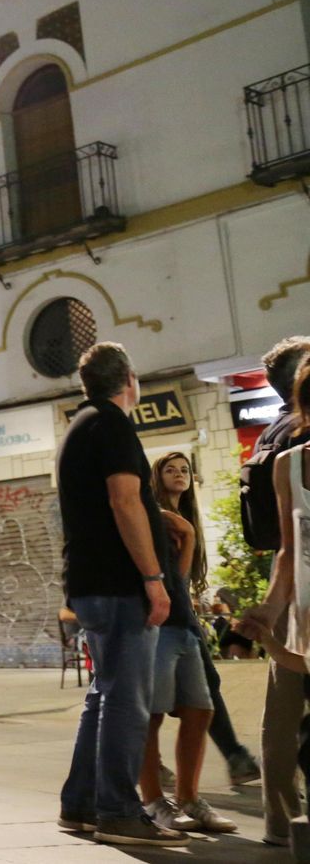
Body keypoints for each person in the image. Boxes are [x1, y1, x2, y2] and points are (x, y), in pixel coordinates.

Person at [55, 342, 186, 848]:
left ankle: (81, 804)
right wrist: (154, 578)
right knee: (127, 700)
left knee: (104, 695)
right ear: (130, 380)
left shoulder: (80, 425)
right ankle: (118, 810)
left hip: (92, 584)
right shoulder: (112, 424)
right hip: (120, 586)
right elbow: (125, 498)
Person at [132, 453, 234, 833]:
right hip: (160, 624)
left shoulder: (182, 518)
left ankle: (190, 798)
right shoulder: (157, 517)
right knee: (153, 715)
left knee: (199, 709)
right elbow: (172, 576)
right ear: (157, 477)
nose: (179, 475)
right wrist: (186, 536)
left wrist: (189, 534)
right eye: (170, 470)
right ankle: (155, 801)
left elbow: (183, 579)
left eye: (186, 470)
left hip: (184, 625)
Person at [247, 337, 310, 846]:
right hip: (298, 580)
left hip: (288, 580)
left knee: (283, 713)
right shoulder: (293, 441)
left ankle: (278, 822)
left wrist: (268, 608)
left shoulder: (272, 438)